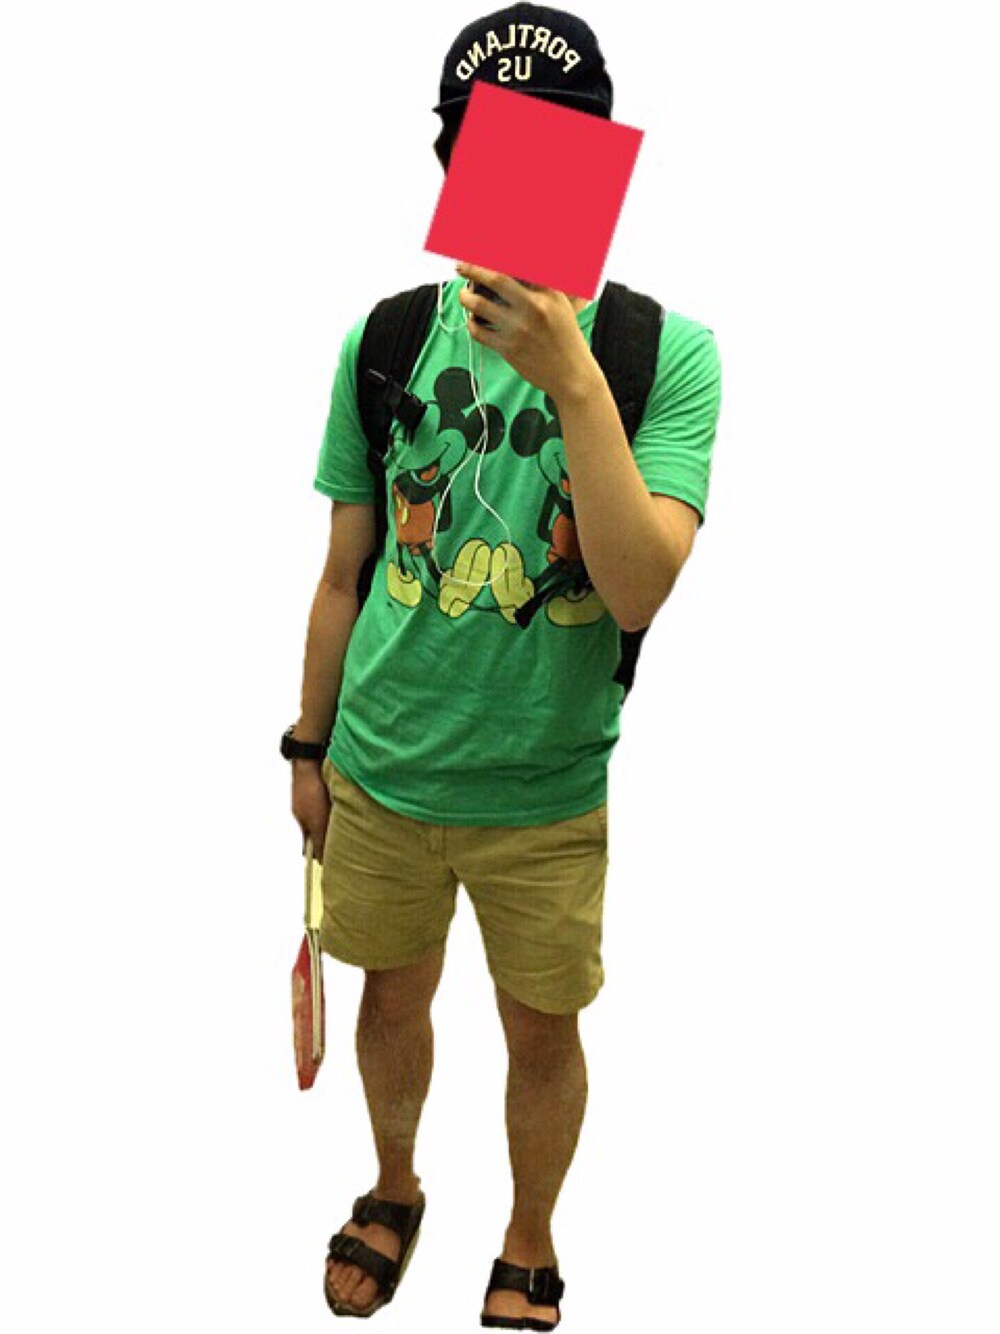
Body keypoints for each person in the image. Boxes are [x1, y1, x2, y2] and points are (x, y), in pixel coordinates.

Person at [284, 5, 722, 1327]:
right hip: (381, 766)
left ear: (598, 165)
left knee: (542, 1027)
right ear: (449, 164)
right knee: (390, 993)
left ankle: (529, 1230)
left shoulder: (661, 356)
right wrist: (306, 746)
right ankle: (395, 1183)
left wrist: (573, 380)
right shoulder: (383, 339)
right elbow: (345, 573)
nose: (518, 181)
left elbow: (639, 585)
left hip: (545, 786)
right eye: (486, 151)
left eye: (551, 151)